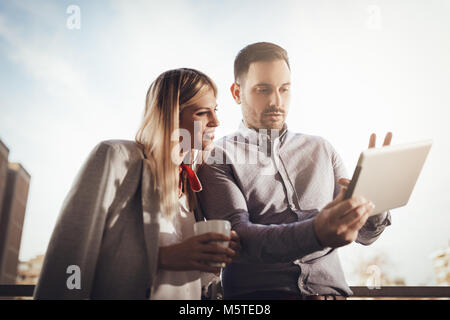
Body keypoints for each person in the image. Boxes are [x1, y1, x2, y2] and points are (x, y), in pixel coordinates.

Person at [197, 42, 392, 300]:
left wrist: (372, 203)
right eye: (263, 89)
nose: (276, 101)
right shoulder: (217, 157)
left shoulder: (323, 149)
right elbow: (240, 240)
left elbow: (366, 236)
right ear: (236, 93)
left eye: (284, 89)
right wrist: (317, 232)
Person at [34, 68, 241, 300]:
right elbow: (71, 255)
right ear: (171, 114)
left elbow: (182, 281)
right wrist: (164, 257)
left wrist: (209, 260)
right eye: (203, 113)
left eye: (215, 110)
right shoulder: (115, 157)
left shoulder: (191, 181)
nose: (216, 121)